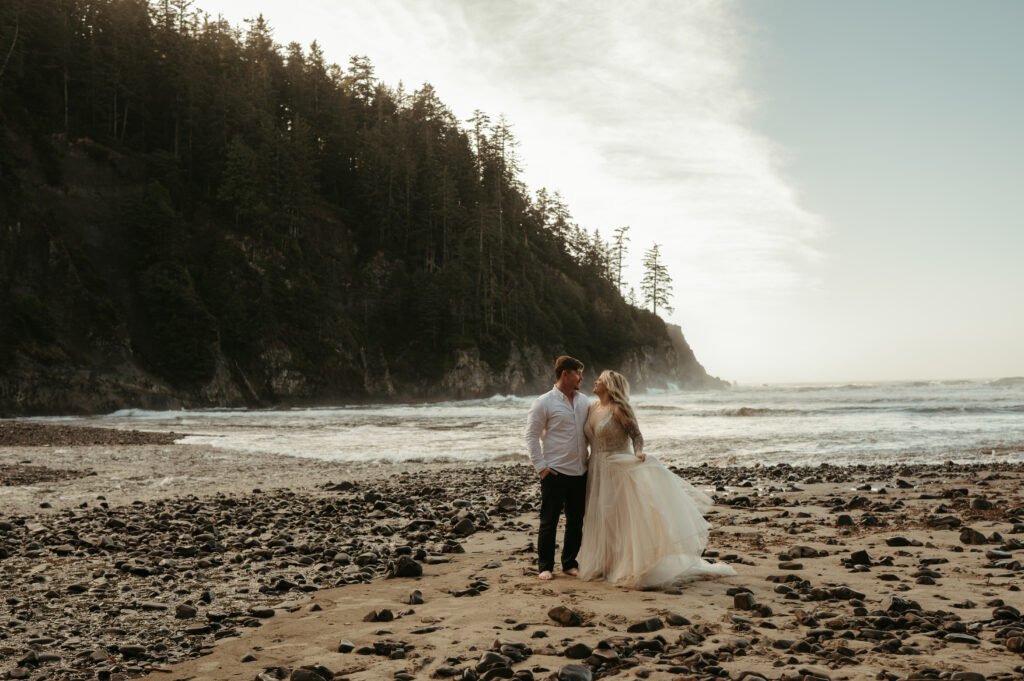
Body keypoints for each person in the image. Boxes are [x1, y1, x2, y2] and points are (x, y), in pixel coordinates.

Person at [576, 369, 735, 588]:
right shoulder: (592, 407)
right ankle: (607, 563)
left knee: (620, 517)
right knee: (600, 515)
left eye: (600, 380)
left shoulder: (619, 409)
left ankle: (627, 565)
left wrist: (639, 452)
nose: (595, 382)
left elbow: (636, 436)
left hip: (617, 468)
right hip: (596, 469)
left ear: (610, 385)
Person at [525, 355, 590, 581]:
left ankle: (569, 563)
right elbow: (532, 435)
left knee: (575, 521)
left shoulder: (585, 402)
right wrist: (541, 467)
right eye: (578, 373)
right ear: (565, 373)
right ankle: (545, 566)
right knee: (549, 520)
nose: (581, 377)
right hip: (554, 472)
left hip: (580, 472)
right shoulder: (544, 402)